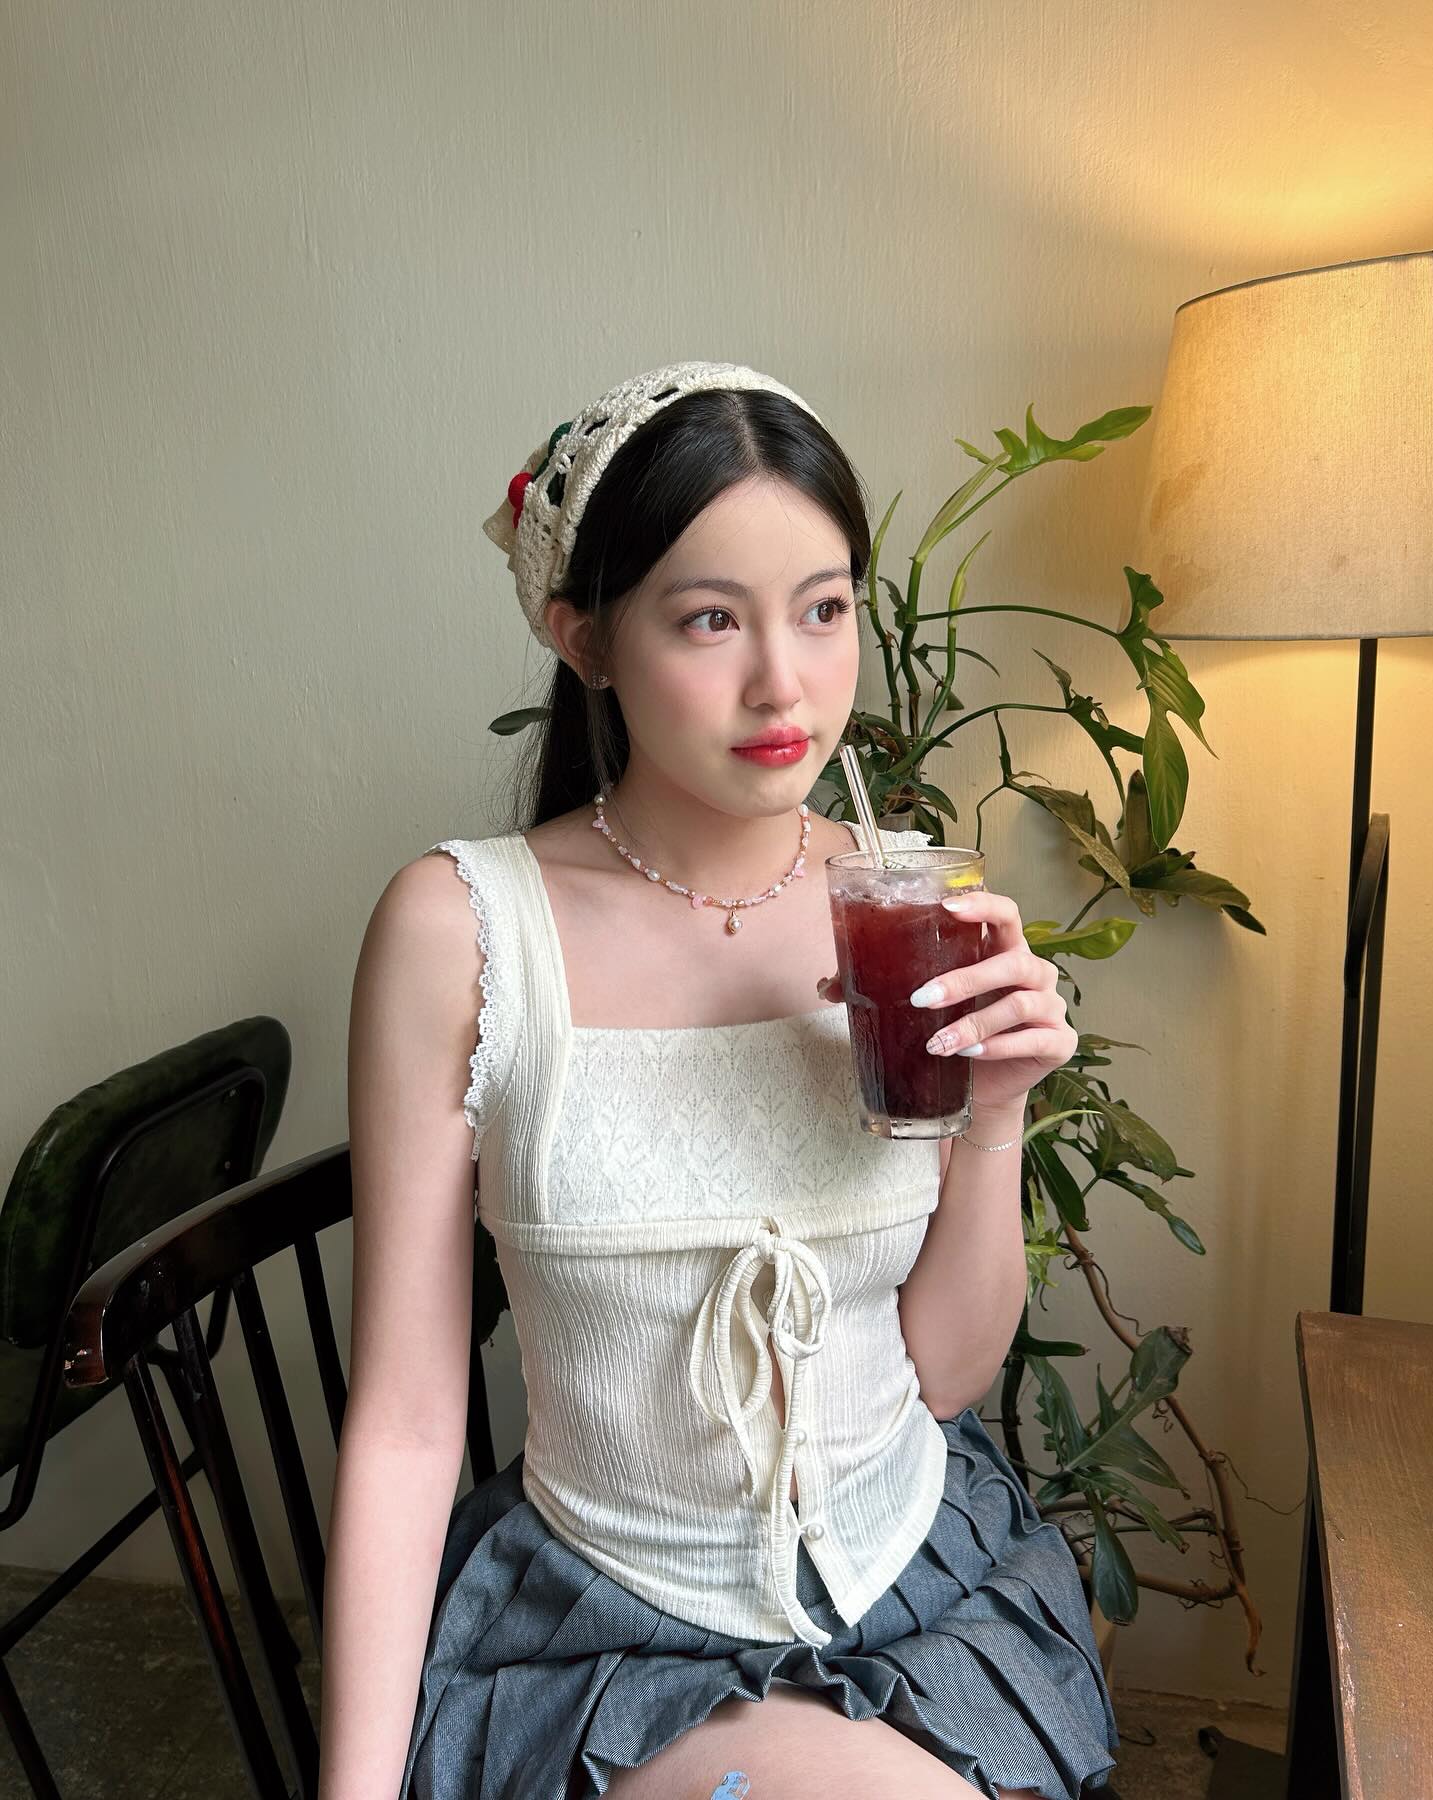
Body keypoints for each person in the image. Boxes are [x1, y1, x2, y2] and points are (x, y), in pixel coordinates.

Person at [323, 360, 1122, 1800]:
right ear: (584, 638)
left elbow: (945, 1375)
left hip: (914, 1584)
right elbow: (405, 1423)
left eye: (824, 610)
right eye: (710, 619)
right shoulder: (461, 933)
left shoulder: (906, 898)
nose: (785, 685)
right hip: (614, 1628)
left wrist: (998, 1115)